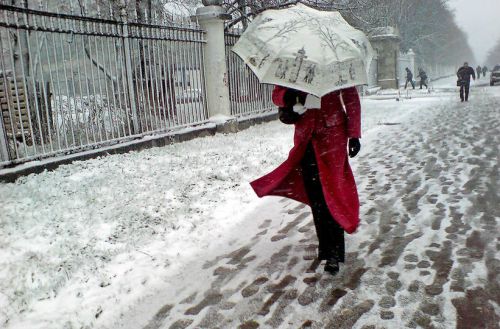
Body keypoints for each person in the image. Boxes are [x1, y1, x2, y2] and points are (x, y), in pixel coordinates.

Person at [250, 86, 361, 275]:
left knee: (332, 191)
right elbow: (277, 95)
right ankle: (326, 246)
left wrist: (354, 135)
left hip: (333, 136)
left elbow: (351, 97)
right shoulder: (296, 64)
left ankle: (334, 252)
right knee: (316, 194)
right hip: (306, 138)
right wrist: (293, 96)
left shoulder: (336, 63)